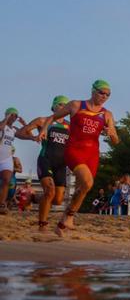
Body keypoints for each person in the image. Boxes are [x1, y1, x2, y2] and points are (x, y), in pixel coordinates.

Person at [37, 80, 119, 235]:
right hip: (74, 150)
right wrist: (43, 130)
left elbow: (116, 141)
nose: (105, 96)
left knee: (84, 187)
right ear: (93, 91)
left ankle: (64, 221)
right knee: (87, 182)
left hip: (92, 154)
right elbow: (52, 117)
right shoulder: (76, 105)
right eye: (102, 92)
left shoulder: (107, 114)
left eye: (108, 94)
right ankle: (68, 216)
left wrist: (112, 134)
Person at [15, 95, 70, 229]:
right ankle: (42, 224)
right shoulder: (43, 121)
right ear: (54, 106)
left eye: (65, 105)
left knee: (57, 199)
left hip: (61, 164)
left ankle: (34, 198)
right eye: (60, 104)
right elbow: (20, 133)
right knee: (50, 191)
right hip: (46, 159)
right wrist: (33, 137)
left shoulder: (70, 125)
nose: (63, 107)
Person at [0, 107, 27, 214]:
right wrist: (6, 118)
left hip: (6, 159)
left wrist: (24, 125)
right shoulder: (2, 125)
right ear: (7, 115)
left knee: (7, 180)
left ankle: (2, 204)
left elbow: (25, 134)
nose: (14, 117)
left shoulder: (13, 129)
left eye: (16, 115)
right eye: (12, 115)